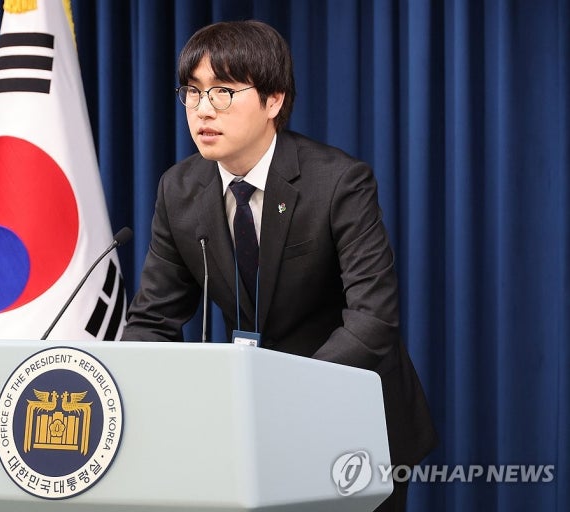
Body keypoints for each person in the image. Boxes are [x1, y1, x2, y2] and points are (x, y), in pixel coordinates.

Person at [122, 20, 436, 510]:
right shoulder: (179, 189)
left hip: (350, 423)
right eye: (193, 92)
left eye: (224, 92)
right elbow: (152, 320)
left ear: (273, 101)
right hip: (248, 433)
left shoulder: (338, 182)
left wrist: (284, 398)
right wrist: (132, 395)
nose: (203, 109)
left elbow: (373, 319)